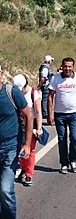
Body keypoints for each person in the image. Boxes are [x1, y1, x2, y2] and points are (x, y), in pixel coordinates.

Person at [0, 65, 33, 219]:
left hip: (10, 146)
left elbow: (28, 115)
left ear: (1, 74)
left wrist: (27, 144)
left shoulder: (11, 92)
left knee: (6, 189)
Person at [47, 57, 76, 174]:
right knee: (62, 139)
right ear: (62, 66)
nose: (67, 68)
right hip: (59, 114)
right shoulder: (56, 78)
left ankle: (73, 160)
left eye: (70, 66)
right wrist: (49, 114)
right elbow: (50, 96)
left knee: (75, 138)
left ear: (73, 67)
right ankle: (64, 163)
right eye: (65, 66)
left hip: (74, 113)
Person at [12, 75, 42, 186]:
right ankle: (24, 169)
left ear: (26, 85)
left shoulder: (34, 93)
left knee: (30, 149)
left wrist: (39, 128)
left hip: (31, 124)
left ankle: (29, 174)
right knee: (20, 150)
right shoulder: (14, 93)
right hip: (19, 124)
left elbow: (38, 112)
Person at [37, 54, 54, 119]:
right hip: (46, 86)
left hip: (46, 86)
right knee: (45, 99)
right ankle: (45, 113)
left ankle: (45, 112)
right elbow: (43, 78)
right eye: (51, 60)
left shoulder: (45, 67)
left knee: (45, 99)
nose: (52, 62)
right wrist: (39, 86)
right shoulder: (45, 68)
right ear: (49, 61)